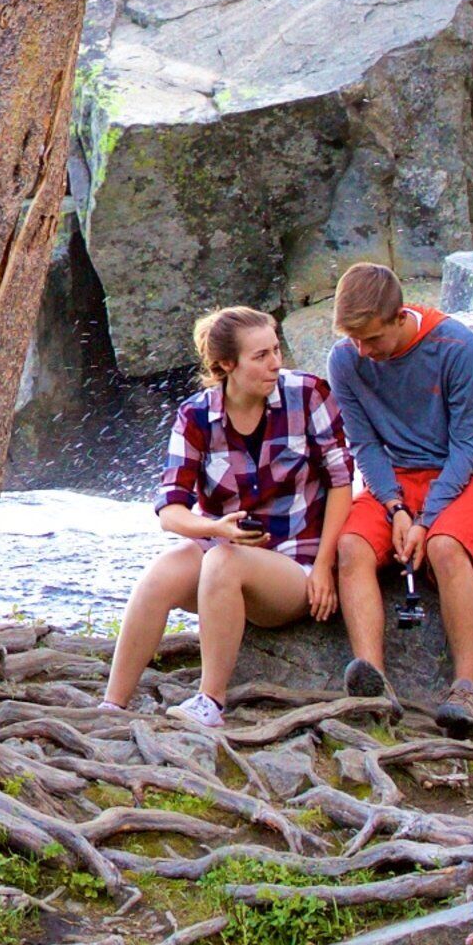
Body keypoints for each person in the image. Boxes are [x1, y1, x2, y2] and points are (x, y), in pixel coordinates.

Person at [104, 305, 356, 732]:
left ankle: (211, 703)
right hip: (224, 551)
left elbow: (341, 483)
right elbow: (171, 512)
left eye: (276, 350)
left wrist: (327, 566)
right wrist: (214, 528)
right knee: (162, 573)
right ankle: (112, 707)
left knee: (223, 560)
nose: (275, 363)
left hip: (296, 566)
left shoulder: (310, 393)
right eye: (261, 356)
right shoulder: (196, 416)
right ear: (226, 365)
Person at [323, 261, 473, 734]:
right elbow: (363, 443)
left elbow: (468, 446)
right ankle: (373, 684)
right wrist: (395, 507)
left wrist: (426, 521)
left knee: (446, 548)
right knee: (351, 548)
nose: (364, 352)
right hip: (399, 481)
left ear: (399, 316)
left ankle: (467, 689)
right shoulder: (346, 359)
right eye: (355, 341)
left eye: (373, 340)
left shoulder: (457, 347)